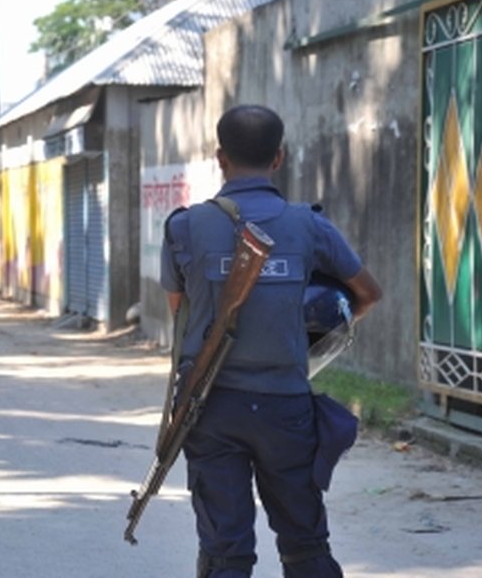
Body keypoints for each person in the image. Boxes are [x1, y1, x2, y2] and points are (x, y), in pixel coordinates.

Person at [160, 104, 382, 578]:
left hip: (209, 406)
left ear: (220, 157)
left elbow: (180, 313)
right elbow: (366, 295)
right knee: (305, 545)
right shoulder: (310, 226)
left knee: (225, 552)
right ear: (279, 158)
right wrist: (311, 340)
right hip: (286, 407)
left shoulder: (183, 227)